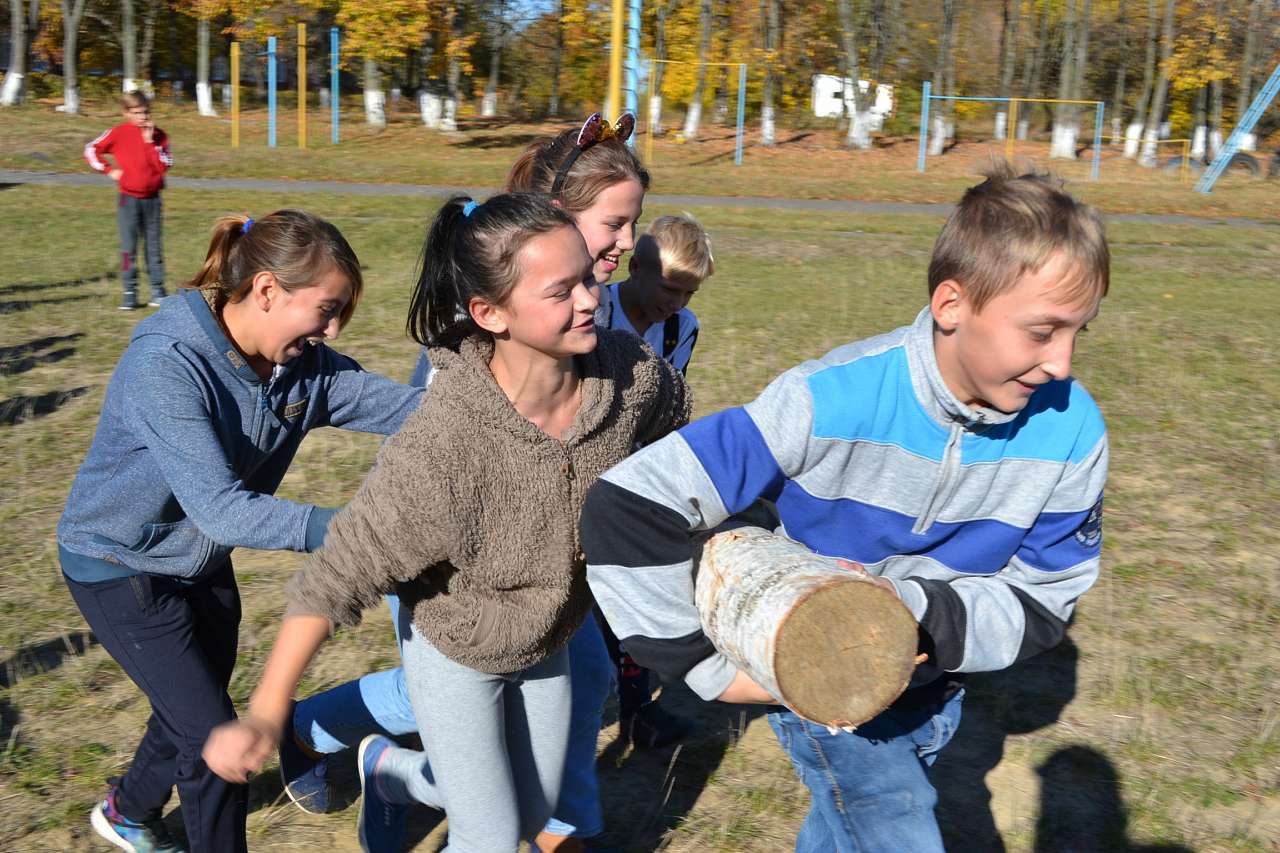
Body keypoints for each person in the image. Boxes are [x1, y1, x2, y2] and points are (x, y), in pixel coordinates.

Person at [580, 166, 1111, 853]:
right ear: (953, 304)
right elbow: (627, 503)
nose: (1064, 363)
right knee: (892, 814)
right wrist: (702, 666)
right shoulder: (828, 400)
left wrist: (919, 617)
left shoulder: (1074, 433)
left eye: (1079, 332)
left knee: (850, 825)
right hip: (819, 667)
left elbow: (1045, 598)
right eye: (1042, 331)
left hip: (933, 684)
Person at [202, 193, 690, 853]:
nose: (589, 299)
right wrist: (264, 711)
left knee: (532, 812)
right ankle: (386, 765)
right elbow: (335, 577)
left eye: (589, 278)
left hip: (548, 637)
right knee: (488, 836)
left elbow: (685, 432)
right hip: (455, 649)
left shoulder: (627, 375)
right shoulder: (444, 449)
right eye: (561, 289)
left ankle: (390, 771)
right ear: (490, 313)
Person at [57, 209, 423, 853]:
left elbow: (404, 410)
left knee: (193, 704)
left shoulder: (301, 367)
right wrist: (356, 533)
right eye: (326, 310)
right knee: (217, 745)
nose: (333, 331)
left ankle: (127, 809)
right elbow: (223, 510)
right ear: (266, 291)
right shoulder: (167, 363)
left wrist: (508, 402)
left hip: (198, 562)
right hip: (120, 566)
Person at [84, 91, 173, 310]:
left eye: (146, 112)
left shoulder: (159, 136)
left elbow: (164, 165)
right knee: (128, 247)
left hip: (153, 200)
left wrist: (150, 143)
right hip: (128, 199)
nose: (143, 117)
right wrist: (109, 170)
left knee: (154, 246)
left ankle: (157, 290)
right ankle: (130, 292)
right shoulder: (118, 133)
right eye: (137, 113)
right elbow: (91, 150)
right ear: (126, 113)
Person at [597, 213, 712, 375]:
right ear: (635, 267)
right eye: (669, 289)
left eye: (689, 293)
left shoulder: (682, 326)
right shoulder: (597, 311)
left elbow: (674, 394)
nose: (677, 304)